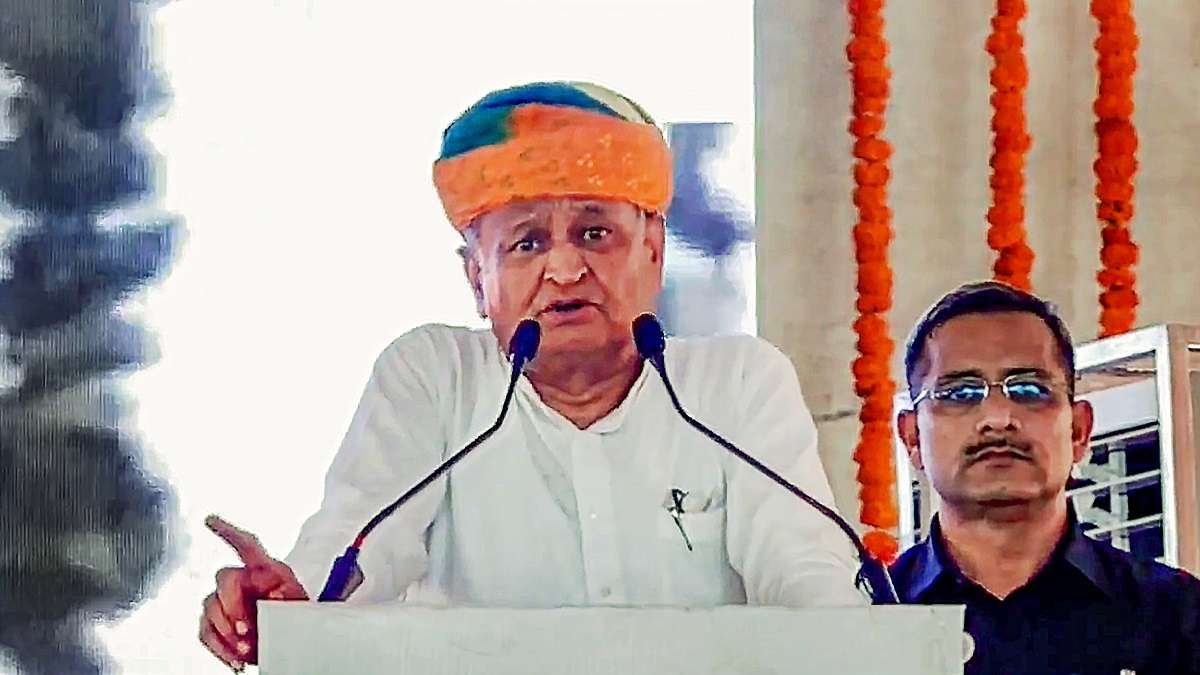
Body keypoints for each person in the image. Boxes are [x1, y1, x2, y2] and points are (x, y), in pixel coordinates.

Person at [199, 81, 864, 671]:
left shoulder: (736, 383)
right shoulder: (434, 377)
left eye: (596, 233)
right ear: (476, 280)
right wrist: (296, 607)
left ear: (653, 253)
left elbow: (810, 576)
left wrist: (862, 642)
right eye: (528, 243)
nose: (567, 269)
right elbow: (354, 551)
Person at [891, 280, 1200, 674]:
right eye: (960, 394)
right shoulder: (864, 618)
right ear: (912, 436)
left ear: (1079, 431)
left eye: (1029, 389)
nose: (998, 419)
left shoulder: (1175, 620)